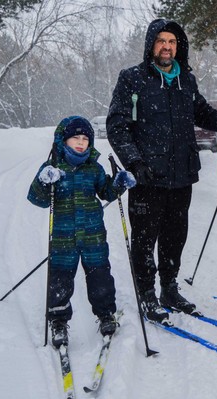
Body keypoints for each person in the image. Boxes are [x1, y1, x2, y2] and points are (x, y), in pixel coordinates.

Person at [106, 19, 217, 324]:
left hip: (182, 174)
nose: (166, 46)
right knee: (145, 238)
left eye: (172, 41)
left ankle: (169, 288)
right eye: (161, 41)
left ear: (179, 46)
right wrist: (135, 162)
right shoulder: (132, 79)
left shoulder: (185, 80)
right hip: (148, 176)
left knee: (176, 235)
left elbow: (202, 113)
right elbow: (117, 125)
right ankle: (147, 293)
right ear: (151, 45)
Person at [27, 116, 134, 348]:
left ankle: (106, 314)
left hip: (93, 235)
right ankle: (58, 320)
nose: (80, 142)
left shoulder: (93, 168)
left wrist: (118, 184)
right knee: (61, 280)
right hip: (63, 238)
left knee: (100, 277)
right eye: (75, 137)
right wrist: (44, 182)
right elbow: (37, 199)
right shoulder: (52, 167)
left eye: (85, 138)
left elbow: (107, 192)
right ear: (63, 140)